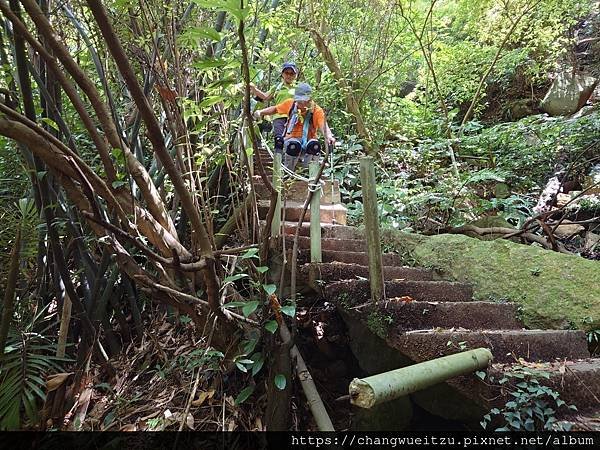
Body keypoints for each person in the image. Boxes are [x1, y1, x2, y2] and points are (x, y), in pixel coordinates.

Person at [253, 82, 335, 171]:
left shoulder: (316, 110)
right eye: (299, 101)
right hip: (291, 139)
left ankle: (308, 173)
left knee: (314, 146)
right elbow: (275, 109)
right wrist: (261, 112)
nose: (301, 104)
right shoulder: (291, 104)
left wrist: (329, 136)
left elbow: (323, 125)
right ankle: (288, 173)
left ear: (310, 99)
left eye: (304, 101)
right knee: (294, 146)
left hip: (308, 140)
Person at [250, 62, 298, 155]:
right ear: (282, 74)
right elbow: (265, 97)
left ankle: (289, 163)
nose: (289, 75)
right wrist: (254, 89)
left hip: (294, 117)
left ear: (295, 75)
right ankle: (277, 161)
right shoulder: (277, 87)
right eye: (286, 73)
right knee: (279, 139)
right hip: (279, 116)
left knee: (293, 141)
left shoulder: (298, 88)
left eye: (291, 73)